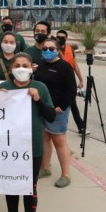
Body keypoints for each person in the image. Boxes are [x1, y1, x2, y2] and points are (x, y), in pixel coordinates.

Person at [0, 53, 56, 212]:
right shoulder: (3, 88)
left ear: (32, 68)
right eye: (17, 66)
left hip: (33, 147)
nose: (21, 69)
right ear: (11, 68)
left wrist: (38, 99)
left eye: (25, 65)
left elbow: (51, 116)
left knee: (30, 186)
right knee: (12, 184)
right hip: (9, 147)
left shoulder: (40, 87)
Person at [34, 38, 77, 189]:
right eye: (45, 48)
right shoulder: (39, 65)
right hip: (42, 107)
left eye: (51, 49)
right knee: (45, 137)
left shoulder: (64, 67)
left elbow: (72, 90)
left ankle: (66, 174)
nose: (47, 51)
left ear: (58, 50)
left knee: (59, 140)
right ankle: (45, 168)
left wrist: (62, 106)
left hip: (58, 110)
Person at [56, 29, 88, 134]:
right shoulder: (53, 50)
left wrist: (81, 79)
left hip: (70, 80)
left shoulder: (69, 49)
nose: (60, 39)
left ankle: (81, 127)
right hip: (58, 81)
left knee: (73, 103)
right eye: (58, 37)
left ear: (66, 38)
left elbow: (75, 65)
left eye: (62, 37)